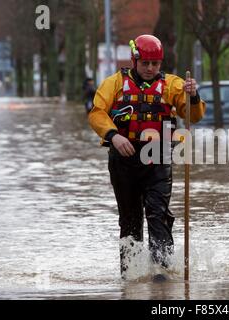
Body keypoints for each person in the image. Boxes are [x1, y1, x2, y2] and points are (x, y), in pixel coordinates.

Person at [88, 34, 205, 278]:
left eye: (155, 64)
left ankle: (161, 270)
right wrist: (114, 136)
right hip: (124, 157)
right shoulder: (114, 84)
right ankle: (130, 274)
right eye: (145, 64)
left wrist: (193, 96)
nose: (150, 69)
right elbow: (97, 113)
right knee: (130, 219)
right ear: (134, 61)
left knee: (157, 213)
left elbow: (193, 116)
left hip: (158, 157)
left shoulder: (172, 84)